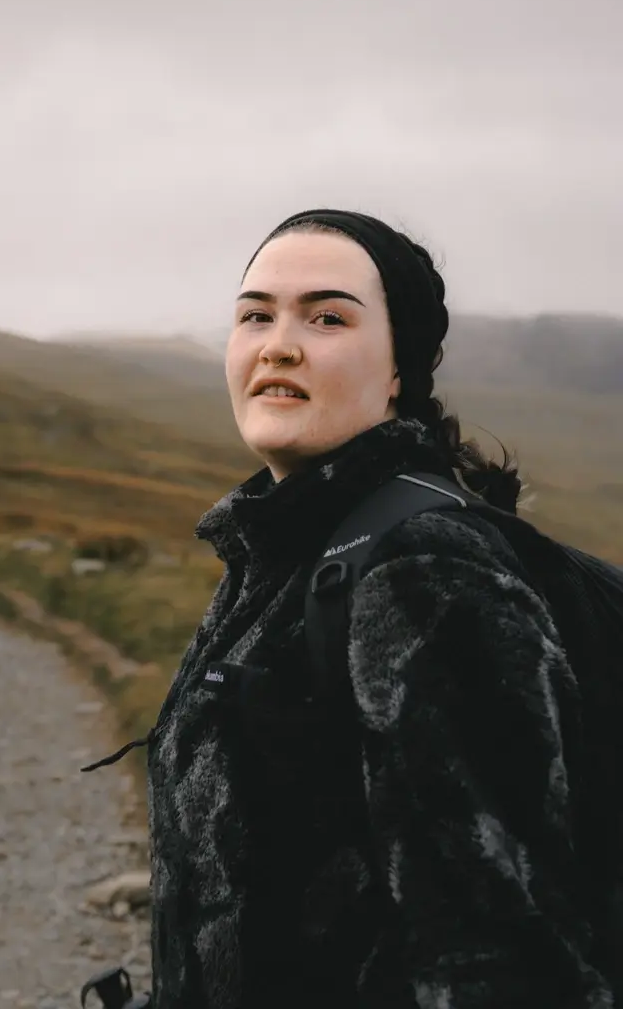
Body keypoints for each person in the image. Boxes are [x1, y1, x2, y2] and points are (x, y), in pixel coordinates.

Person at [144, 210, 613, 1008]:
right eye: (255, 314)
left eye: (328, 317)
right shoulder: (286, 548)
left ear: (401, 369)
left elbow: (499, 952)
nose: (278, 344)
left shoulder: (423, 569)